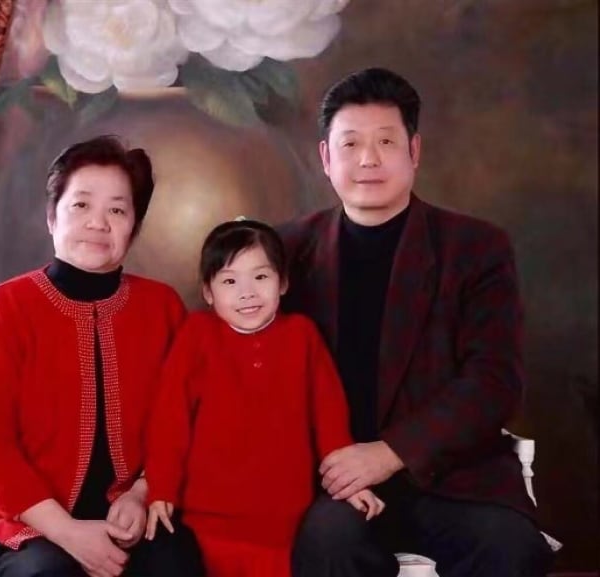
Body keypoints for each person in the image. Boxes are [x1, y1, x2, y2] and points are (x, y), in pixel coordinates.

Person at [279, 67, 555, 577]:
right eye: (351, 143)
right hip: (339, 485)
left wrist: (391, 452)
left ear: (415, 151)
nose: (368, 159)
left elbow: (494, 382)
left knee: (511, 548)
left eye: (386, 141)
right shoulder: (288, 252)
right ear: (325, 157)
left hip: (454, 480)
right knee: (324, 541)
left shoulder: (475, 248)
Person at [0, 136, 204, 577]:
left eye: (117, 209)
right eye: (81, 206)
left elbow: (181, 419)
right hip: (24, 522)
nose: (98, 222)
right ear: (51, 217)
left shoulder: (162, 307)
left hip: (129, 515)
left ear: (134, 226)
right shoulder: (3, 309)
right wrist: (69, 533)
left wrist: (142, 493)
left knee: (177, 562)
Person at [144, 218, 384, 577]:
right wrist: (161, 488)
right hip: (207, 523)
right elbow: (169, 419)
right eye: (229, 281)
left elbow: (329, 416)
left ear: (283, 282)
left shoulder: (302, 336)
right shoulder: (197, 335)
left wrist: (347, 483)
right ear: (208, 292)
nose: (247, 293)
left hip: (286, 524)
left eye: (261, 277)